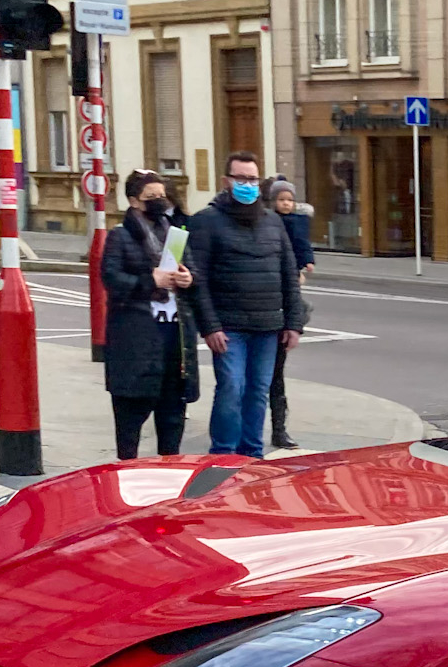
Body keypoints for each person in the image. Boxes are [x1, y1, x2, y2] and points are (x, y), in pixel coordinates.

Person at [186, 151, 305, 458]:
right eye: (241, 179)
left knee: (257, 392)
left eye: (253, 179)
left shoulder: (272, 223)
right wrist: (210, 326)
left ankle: (252, 457)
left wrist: (294, 323)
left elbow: (288, 274)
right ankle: (224, 455)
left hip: (268, 327)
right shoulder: (206, 222)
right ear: (227, 182)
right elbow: (198, 280)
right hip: (229, 328)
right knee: (231, 389)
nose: (248, 185)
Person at [99, 170, 200, 459]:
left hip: (174, 337)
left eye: (161, 196)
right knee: (131, 417)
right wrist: (150, 280)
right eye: (150, 197)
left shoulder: (175, 234)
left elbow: (194, 274)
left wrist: (187, 279)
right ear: (133, 201)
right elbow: (111, 279)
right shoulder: (120, 236)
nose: (158, 202)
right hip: (137, 339)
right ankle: (127, 472)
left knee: (172, 417)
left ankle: (169, 471)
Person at [263, 177, 316, 451]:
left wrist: (294, 324)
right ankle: (248, 431)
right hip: (254, 318)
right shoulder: (264, 225)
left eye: (289, 199)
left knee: (275, 378)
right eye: (281, 199)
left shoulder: (294, 225)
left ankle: (279, 429)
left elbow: (303, 247)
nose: (286, 204)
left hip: (279, 316)